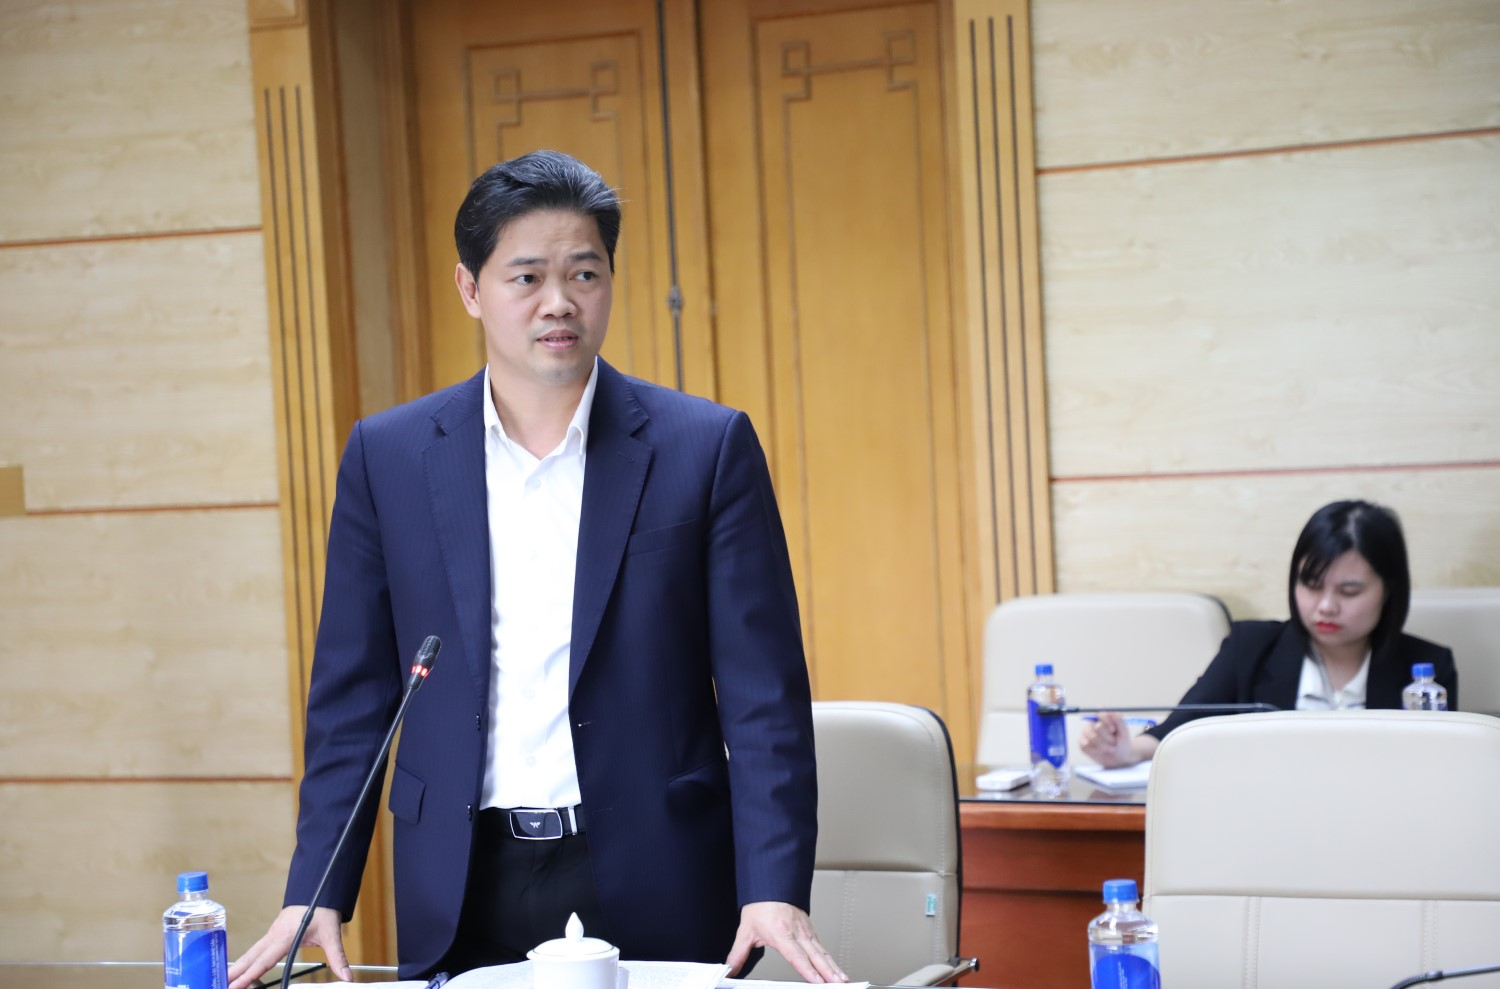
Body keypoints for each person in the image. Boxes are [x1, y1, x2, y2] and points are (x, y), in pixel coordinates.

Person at [229, 150, 844, 987]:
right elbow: (353, 698)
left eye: (584, 273)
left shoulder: (703, 448)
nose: (560, 301)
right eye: (527, 277)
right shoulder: (390, 456)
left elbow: (763, 694)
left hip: (658, 869)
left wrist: (773, 885)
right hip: (463, 878)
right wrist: (317, 889)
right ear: (470, 288)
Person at [1080, 499, 1459, 769]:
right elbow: (1179, 730)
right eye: (1311, 586)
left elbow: (1441, 769)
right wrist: (1125, 751)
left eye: (1349, 591)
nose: (1326, 606)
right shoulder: (1249, 648)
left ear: (1389, 590)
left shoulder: (1427, 669)